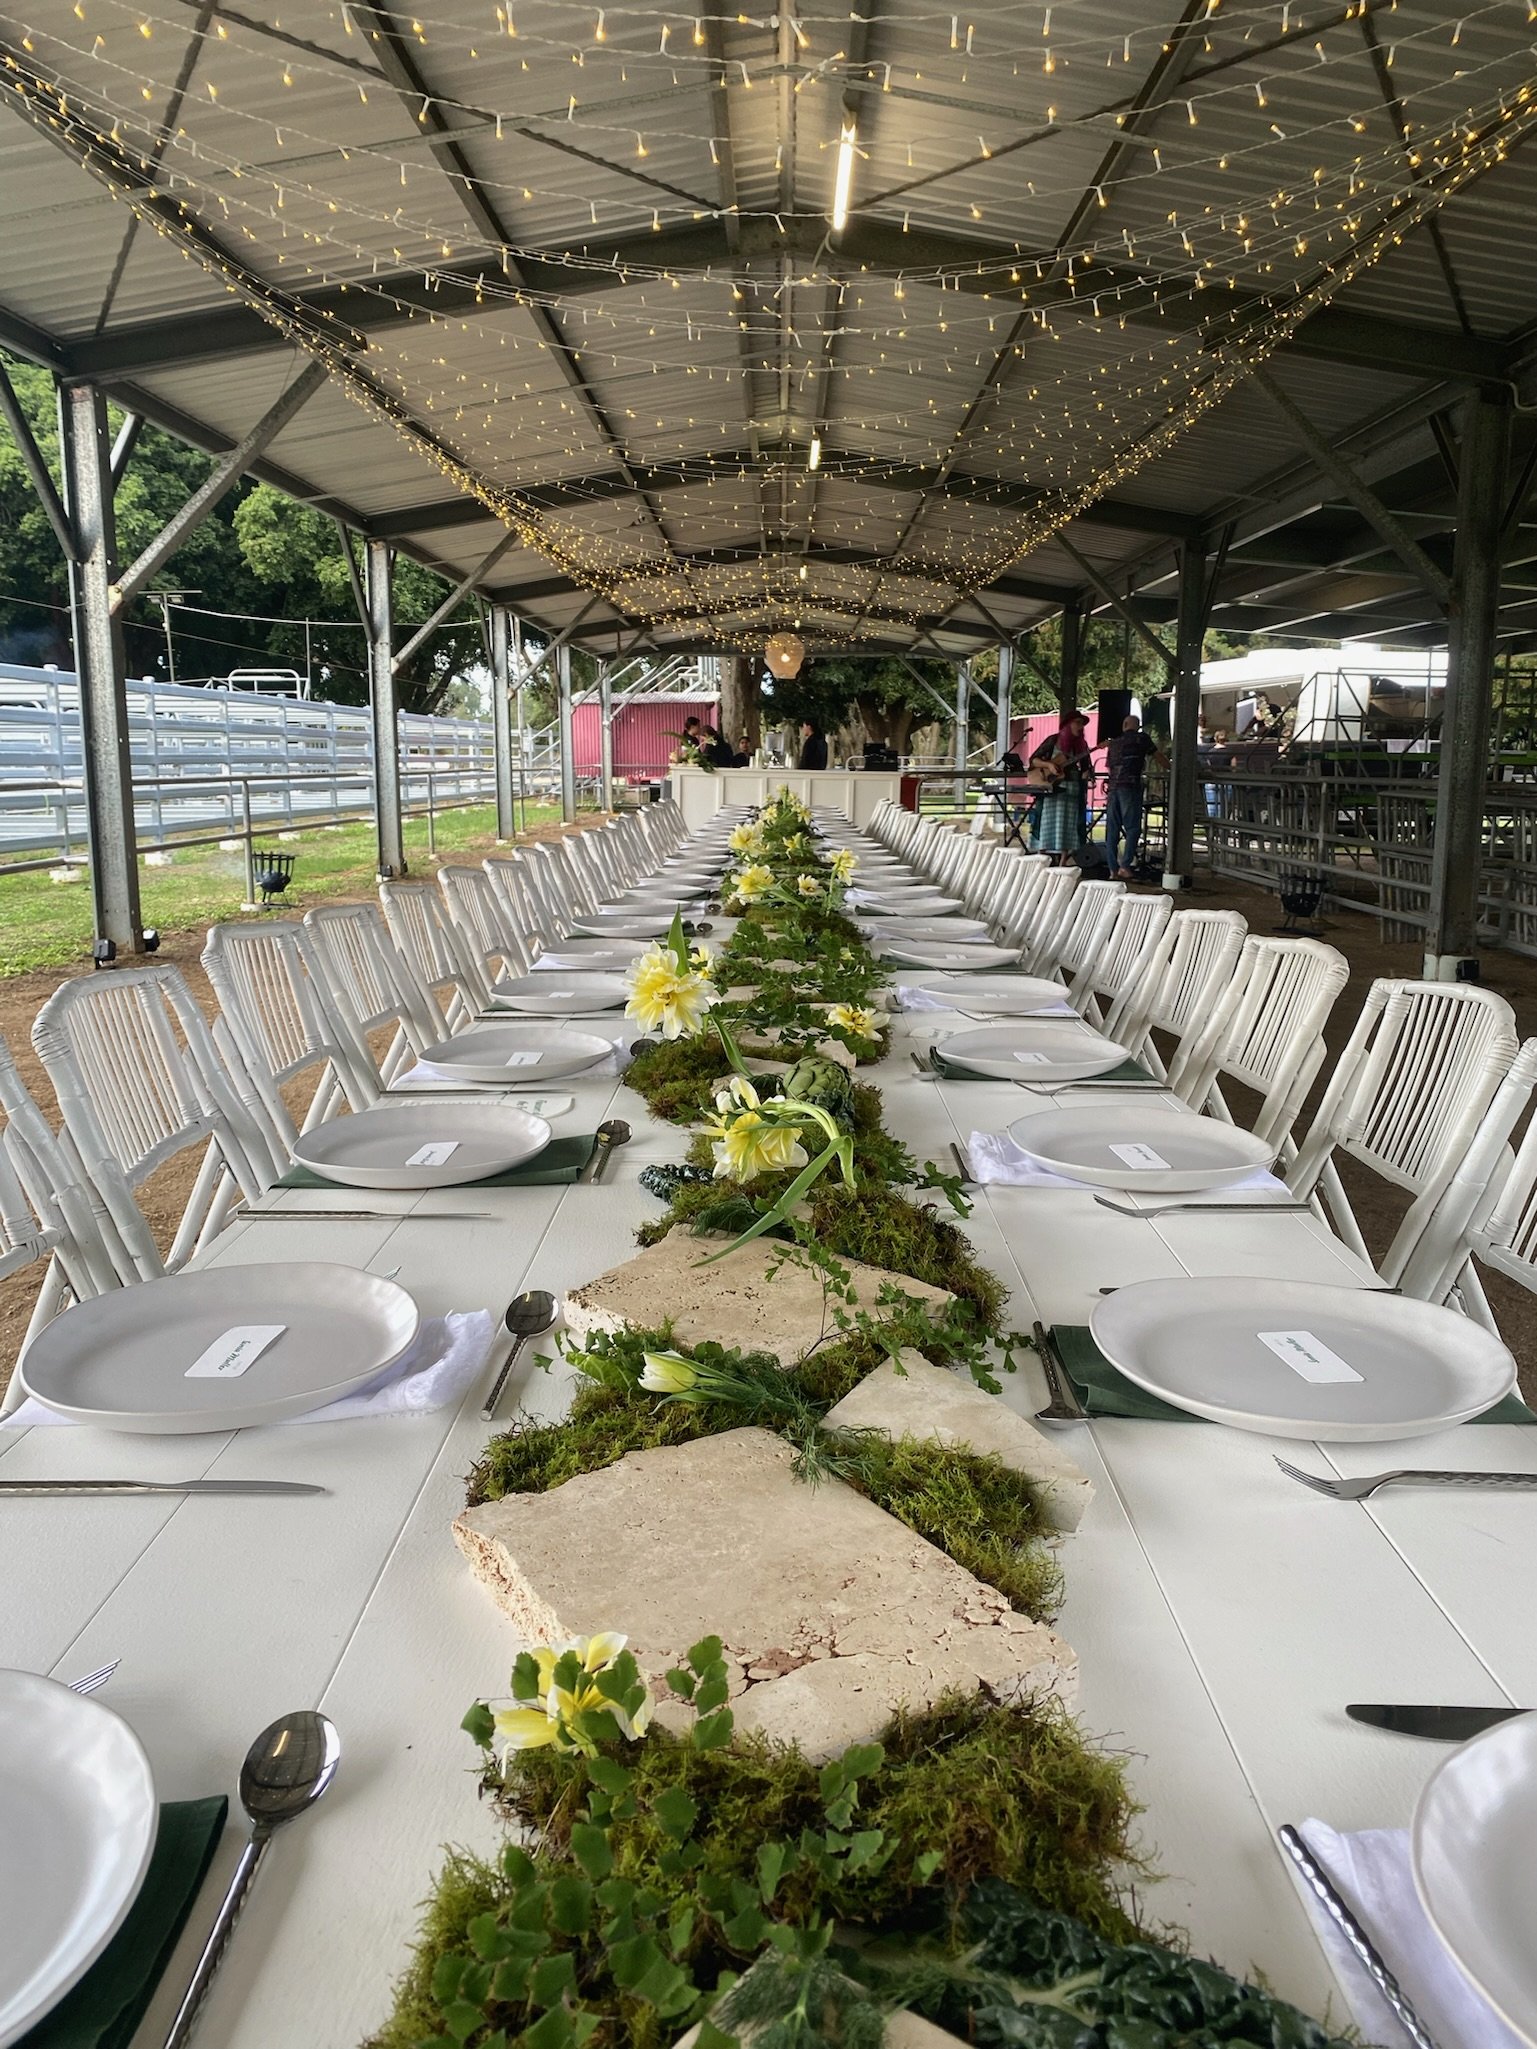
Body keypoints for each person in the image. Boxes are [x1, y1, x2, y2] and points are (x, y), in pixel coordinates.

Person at [1103, 714, 1163, 878]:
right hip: (1130, 785)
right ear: (1137, 726)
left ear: (1124, 725)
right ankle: (1125, 864)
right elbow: (1158, 757)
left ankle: (1112, 869)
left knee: (1112, 829)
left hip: (1113, 786)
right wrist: (1172, 768)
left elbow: (1109, 766)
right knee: (1133, 828)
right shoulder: (1142, 739)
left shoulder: (1114, 742)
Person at [1030, 709, 1091, 863]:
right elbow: (1033, 760)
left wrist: (1086, 774)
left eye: (1082, 724)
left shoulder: (1082, 745)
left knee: (1067, 825)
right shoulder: (1053, 740)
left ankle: (1062, 863)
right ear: (1067, 724)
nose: (1081, 726)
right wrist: (1049, 765)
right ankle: (1041, 857)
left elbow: (1085, 767)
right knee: (1046, 823)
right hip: (1051, 788)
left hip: (1071, 788)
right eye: (1077, 723)